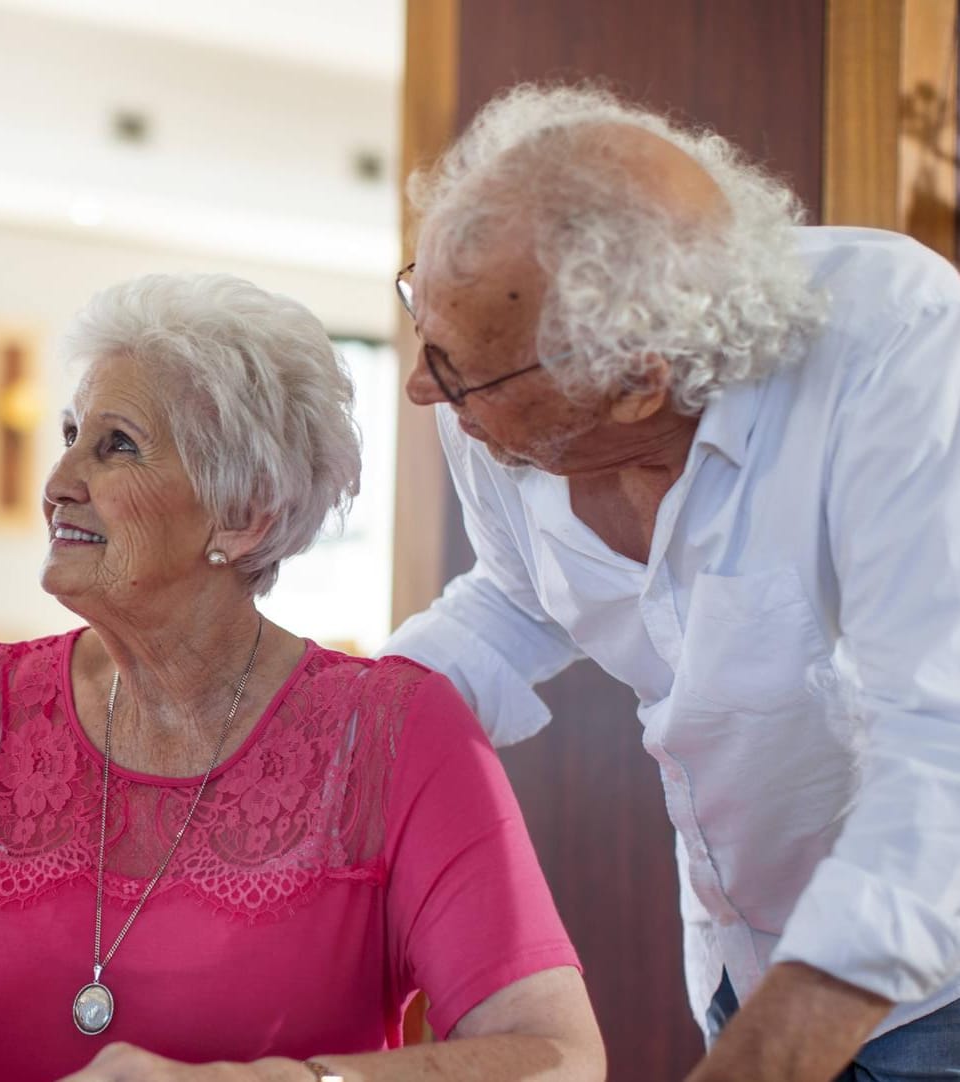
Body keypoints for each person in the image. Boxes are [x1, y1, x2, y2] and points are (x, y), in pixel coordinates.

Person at [0, 274, 604, 1082]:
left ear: (244, 516)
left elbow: (553, 1055)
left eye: (116, 445)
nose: (57, 481)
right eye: (69, 436)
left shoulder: (397, 732)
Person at [382, 83, 960, 1082]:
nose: (422, 385)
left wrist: (770, 1057)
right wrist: (326, 729)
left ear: (637, 381)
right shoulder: (494, 366)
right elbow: (519, 599)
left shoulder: (896, 350)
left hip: (928, 980)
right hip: (738, 957)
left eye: (459, 370)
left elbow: (942, 747)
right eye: (419, 318)